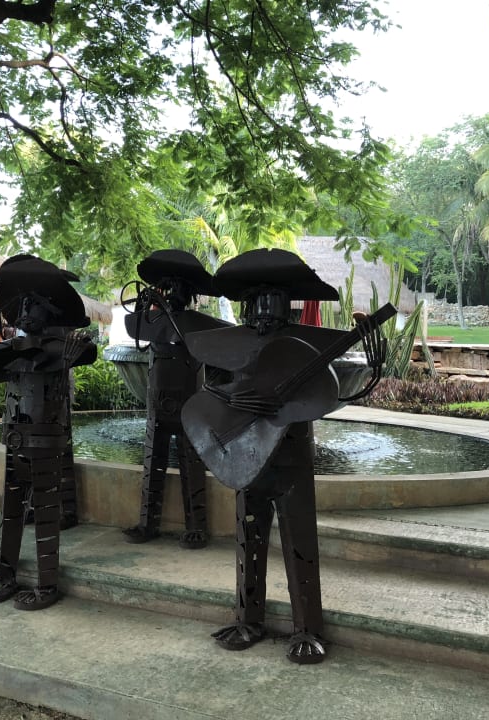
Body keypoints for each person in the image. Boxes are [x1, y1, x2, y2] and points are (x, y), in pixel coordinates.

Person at [181, 249, 390, 663]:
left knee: (300, 545)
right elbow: (211, 391)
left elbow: (348, 386)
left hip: (292, 457)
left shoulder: (310, 344)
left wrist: (374, 349)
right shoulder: (226, 343)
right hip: (243, 457)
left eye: (274, 300)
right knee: (248, 540)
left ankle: (308, 628)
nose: (264, 312)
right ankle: (247, 617)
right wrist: (239, 397)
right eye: (257, 301)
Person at [0, 255, 96, 610]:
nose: (26, 313)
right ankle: (5, 576)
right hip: (15, 438)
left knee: (46, 512)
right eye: (24, 306)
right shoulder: (13, 352)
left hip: (45, 440)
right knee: (11, 512)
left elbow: (87, 350)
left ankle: (47, 585)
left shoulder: (61, 349)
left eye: (36, 306)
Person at [121, 250, 228, 549]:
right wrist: (146, 308)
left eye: (177, 288)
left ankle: (197, 526)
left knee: (191, 463)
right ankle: (147, 522)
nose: (171, 293)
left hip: (190, 403)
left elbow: (230, 338)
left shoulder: (200, 323)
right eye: (167, 288)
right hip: (158, 401)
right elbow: (134, 328)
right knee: (150, 462)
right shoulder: (151, 322)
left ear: (190, 293)